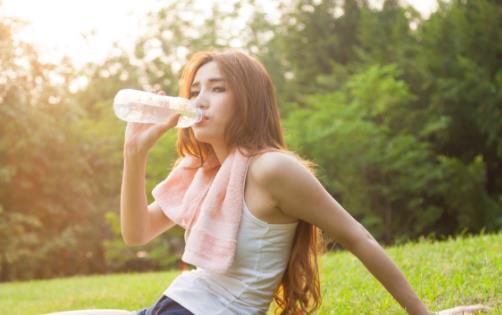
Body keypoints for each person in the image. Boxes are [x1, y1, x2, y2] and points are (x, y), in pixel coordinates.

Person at [46, 50, 491, 315]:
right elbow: (136, 233)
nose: (200, 100)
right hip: (172, 306)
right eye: (196, 89)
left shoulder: (269, 169)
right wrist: (134, 155)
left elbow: (357, 237)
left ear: (248, 101)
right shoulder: (203, 172)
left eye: (217, 89)